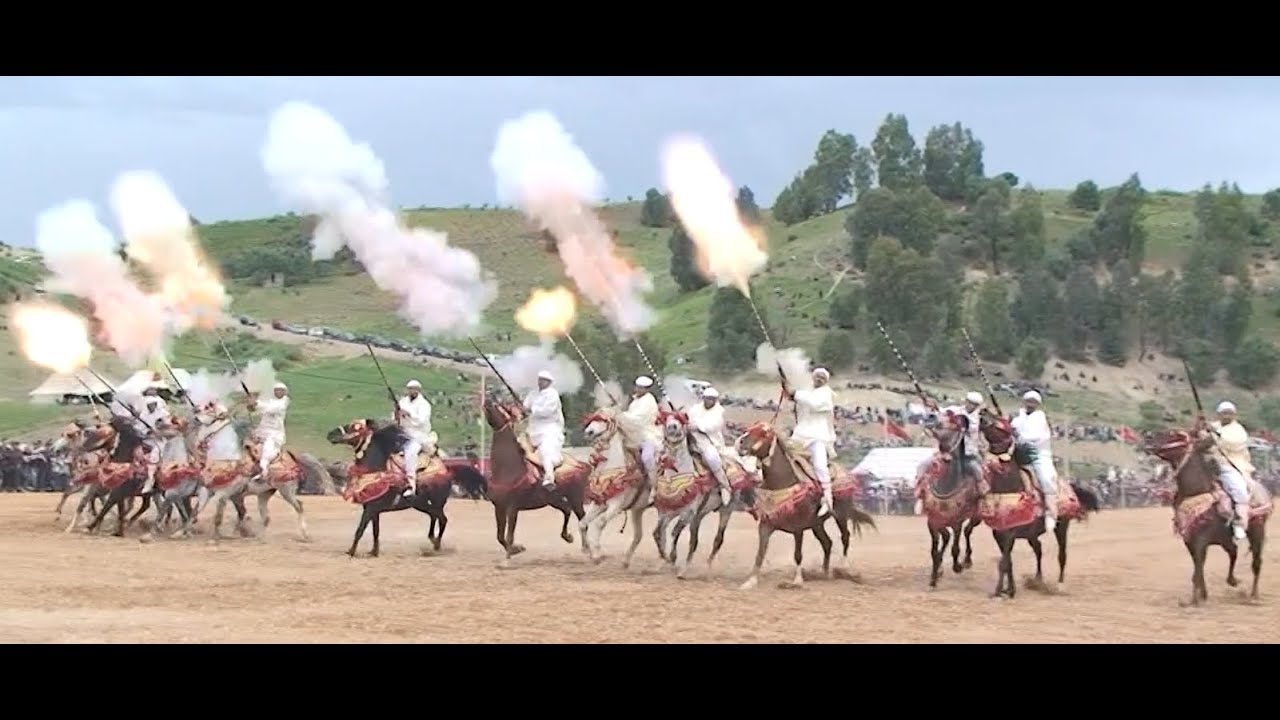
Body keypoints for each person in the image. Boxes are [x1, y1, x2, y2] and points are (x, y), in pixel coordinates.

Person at [786, 367, 837, 516]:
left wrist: (795, 393)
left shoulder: (826, 394)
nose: (819, 379)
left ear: (826, 380)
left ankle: (828, 498)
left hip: (817, 436)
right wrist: (790, 393)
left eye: (822, 377)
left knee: (820, 466)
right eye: (817, 376)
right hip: (800, 435)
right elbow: (801, 403)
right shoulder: (808, 392)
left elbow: (813, 403)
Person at [1206, 400, 1254, 541]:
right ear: (1218, 415)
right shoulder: (1215, 426)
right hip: (1209, 463)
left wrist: (1213, 432)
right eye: (1223, 413)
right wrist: (1201, 424)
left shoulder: (1238, 430)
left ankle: (1239, 523)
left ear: (1234, 415)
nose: (1226, 416)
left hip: (1231, 464)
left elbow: (1235, 444)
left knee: (1240, 490)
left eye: (1229, 413)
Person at [1010, 390, 1058, 532]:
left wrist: (1019, 435)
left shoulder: (1041, 418)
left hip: (1038, 454)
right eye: (1028, 401)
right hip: (1018, 453)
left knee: (1046, 479)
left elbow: (1035, 437)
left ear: (1037, 404)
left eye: (1033, 402)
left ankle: (1050, 513)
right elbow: (1010, 430)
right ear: (1024, 402)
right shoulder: (1018, 418)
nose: (1030, 404)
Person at [685, 386, 732, 505]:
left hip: (709, 440)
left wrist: (696, 426)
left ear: (715, 400)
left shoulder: (718, 412)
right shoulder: (696, 408)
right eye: (706, 398)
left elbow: (710, 426)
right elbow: (688, 418)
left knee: (712, 457)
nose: (708, 401)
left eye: (711, 399)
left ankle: (724, 485)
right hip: (690, 436)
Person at [926, 391, 985, 480]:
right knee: (925, 465)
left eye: (975, 405)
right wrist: (933, 406)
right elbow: (940, 412)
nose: (972, 406)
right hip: (949, 449)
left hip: (968, 452)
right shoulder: (954, 410)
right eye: (970, 403)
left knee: (977, 471)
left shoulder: (979, 417)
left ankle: (982, 487)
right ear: (966, 401)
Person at [621, 376, 661, 504]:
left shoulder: (649, 402)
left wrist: (622, 414)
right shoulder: (635, 400)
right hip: (633, 434)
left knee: (647, 457)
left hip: (647, 435)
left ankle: (654, 487)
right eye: (637, 386)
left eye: (641, 388)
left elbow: (637, 419)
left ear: (647, 389)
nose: (637, 389)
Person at [522, 370, 565, 489]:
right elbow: (526, 406)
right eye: (540, 379)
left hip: (549, 429)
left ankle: (549, 477)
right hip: (532, 429)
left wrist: (531, 410)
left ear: (549, 382)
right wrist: (522, 408)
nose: (541, 382)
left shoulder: (553, 395)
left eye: (544, 380)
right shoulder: (533, 393)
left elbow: (547, 411)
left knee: (546, 451)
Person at [397, 380, 437, 497]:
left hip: (419, 436)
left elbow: (421, 421)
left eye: (414, 388)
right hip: (402, 433)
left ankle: (411, 484)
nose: (411, 391)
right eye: (410, 388)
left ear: (418, 390)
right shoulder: (402, 402)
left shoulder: (425, 405)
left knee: (410, 452)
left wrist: (408, 414)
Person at [248, 382, 289, 482]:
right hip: (262, 432)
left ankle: (263, 474)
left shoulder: (284, 402)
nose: (278, 392)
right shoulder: (269, 401)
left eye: (281, 390)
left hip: (274, 435)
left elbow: (271, 410)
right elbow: (260, 409)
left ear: (285, 392)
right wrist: (252, 405)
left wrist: (256, 403)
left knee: (266, 452)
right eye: (276, 390)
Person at [136, 381, 172, 494]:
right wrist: (147, 432)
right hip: (148, 439)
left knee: (156, 451)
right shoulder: (143, 415)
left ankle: (151, 480)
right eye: (149, 405)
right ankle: (148, 478)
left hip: (162, 439)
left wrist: (159, 430)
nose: (151, 406)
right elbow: (139, 429)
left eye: (153, 404)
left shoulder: (163, 413)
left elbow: (168, 426)